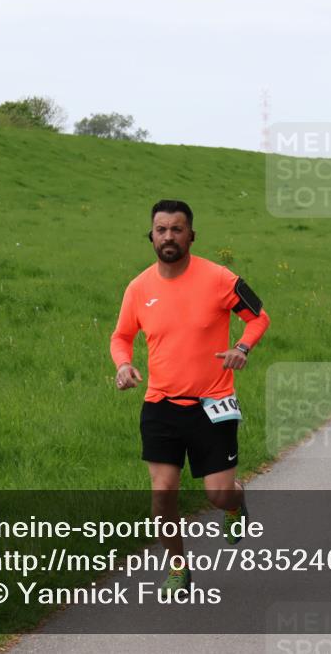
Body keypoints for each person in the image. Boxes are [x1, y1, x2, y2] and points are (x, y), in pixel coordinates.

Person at [111, 199, 271, 596]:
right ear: (151, 235)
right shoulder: (139, 287)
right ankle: (178, 569)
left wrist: (243, 348)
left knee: (218, 494)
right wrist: (122, 364)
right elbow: (121, 336)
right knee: (162, 494)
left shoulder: (219, 279)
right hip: (160, 405)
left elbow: (259, 316)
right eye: (161, 229)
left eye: (177, 229)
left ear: (191, 235)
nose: (169, 236)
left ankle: (235, 506)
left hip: (213, 404)